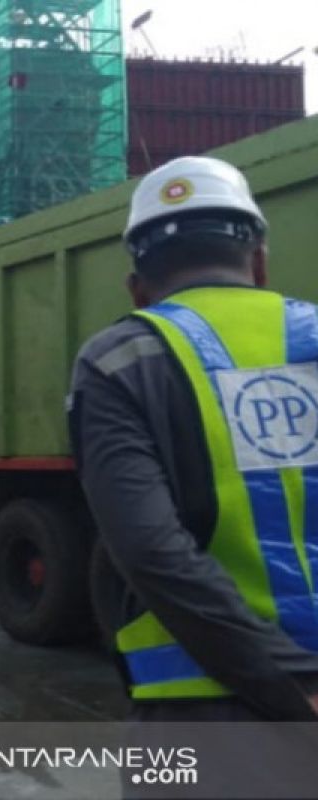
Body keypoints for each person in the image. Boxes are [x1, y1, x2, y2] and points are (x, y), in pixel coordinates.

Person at [70, 155, 318, 724]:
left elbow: (151, 550)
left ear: (137, 287)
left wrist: (294, 685)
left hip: (195, 709)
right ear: (259, 262)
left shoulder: (117, 361)